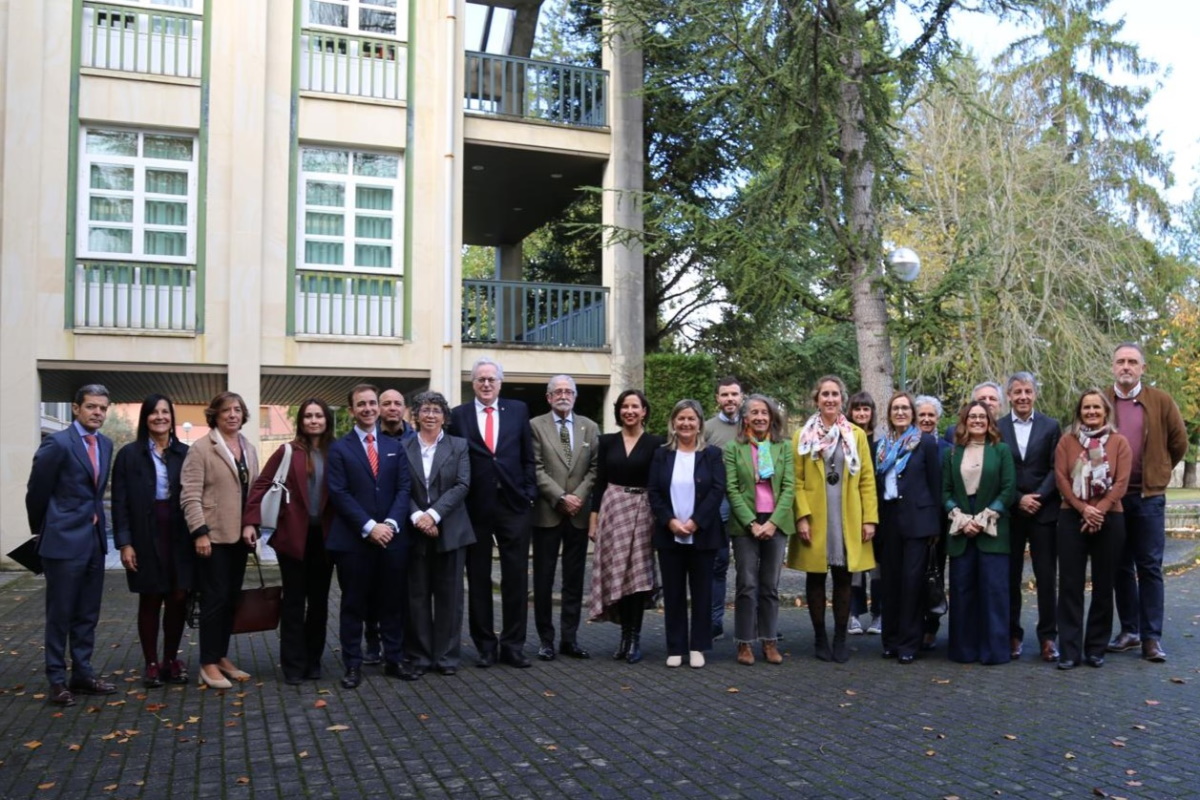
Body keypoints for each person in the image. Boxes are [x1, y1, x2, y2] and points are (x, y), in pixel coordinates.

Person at [25, 384, 117, 706]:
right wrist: (43, 530)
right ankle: (56, 680)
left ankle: (82, 673)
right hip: (63, 542)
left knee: (88, 613)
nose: (98, 413)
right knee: (60, 614)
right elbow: (36, 492)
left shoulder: (106, 444)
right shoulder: (58, 443)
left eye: (103, 408)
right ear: (76, 408)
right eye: (91, 407)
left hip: (94, 542)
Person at [448, 358, 537, 668]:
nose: (486, 384)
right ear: (473, 384)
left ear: (501, 383)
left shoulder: (518, 411)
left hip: (513, 505)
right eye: (481, 379)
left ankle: (513, 646)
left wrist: (529, 494)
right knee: (479, 578)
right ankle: (485, 646)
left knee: (515, 578)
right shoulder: (458, 416)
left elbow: (528, 457)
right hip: (475, 507)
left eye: (492, 379)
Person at [242, 399, 335, 685]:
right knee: (294, 602)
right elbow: (261, 485)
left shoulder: (338, 451)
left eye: (319, 415)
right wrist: (250, 521)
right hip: (294, 537)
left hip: (326, 539)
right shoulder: (288, 451)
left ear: (327, 420)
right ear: (301, 421)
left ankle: (313, 661)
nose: (313, 420)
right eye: (308, 416)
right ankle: (293, 665)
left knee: (319, 603)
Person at [1105, 343, 1187, 663]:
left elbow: (1178, 442)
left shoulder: (1160, 401)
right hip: (1113, 498)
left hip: (1148, 497)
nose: (1126, 367)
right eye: (1121, 361)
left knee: (1150, 567)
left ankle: (1152, 638)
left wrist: (1159, 470)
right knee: (1119, 567)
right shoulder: (1102, 401)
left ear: (1143, 368)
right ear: (1113, 366)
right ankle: (1129, 630)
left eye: (1132, 362)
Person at [326, 384, 411, 689]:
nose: (368, 408)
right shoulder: (339, 448)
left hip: (392, 539)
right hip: (353, 542)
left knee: (392, 603)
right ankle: (352, 665)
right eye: (361, 404)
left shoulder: (395, 447)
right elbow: (339, 493)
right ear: (351, 410)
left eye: (372, 403)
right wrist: (368, 527)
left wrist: (388, 524)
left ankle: (394, 659)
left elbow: (404, 489)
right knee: (353, 605)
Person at [790, 375, 878, 663]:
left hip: (848, 516)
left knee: (844, 578)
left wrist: (869, 519)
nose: (830, 399)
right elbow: (796, 480)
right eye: (825, 394)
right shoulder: (802, 435)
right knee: (815, 578)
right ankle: (819, 637)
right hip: (815, 517)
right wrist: (801, 517)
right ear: (817, 399)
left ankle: (840, 637)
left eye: (835, 394)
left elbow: (867, 479)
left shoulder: (857, 435)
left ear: (843, 399)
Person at [112, 394, 193, 688]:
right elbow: (119, 502)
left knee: (178, 597)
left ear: (172, 417)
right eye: (153, 413)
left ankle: (170, 659)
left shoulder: (186, 453)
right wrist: (125, 543)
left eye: (165, 412)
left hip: (180, 534)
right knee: (150, 597)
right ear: (145, 418)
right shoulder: (128, 455)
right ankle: (150, 663)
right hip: (145, 533)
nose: (160, 417)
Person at [181, 391, 261, 689]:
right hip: (212, 538)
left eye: (238, 410)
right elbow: (189, 495)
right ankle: (207, 663)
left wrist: (253, 524)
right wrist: (199, 532)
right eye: (226, 410)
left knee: (230, 600)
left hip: (240, 536)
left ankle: (221, 655)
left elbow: (254, 493)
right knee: (213, 601)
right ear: (214, 414)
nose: (232, 415)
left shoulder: (249, 448)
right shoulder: (202, 448)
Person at [1054, 390, 1131, 670]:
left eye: (1096, 407)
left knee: (1103, 585)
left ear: (1106, 411)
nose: (1091, 412)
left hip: (1110, 518)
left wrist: (1098, 509)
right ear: (1079, 412)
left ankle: (1096, 648)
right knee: (1070, 585)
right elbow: (1061, 478)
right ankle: (1070, 651)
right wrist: (1082, 508)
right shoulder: (1067, 441)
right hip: (1071, 517)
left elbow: (1122, 481)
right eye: (1086, 408)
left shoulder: (1119, 442)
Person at [587, 389, 664, 664]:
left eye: (635, 406)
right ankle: (622, 638)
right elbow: (599, 482)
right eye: (624, 406)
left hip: (644, 511)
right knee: (616, 574)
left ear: (644, 411)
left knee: (638, 579)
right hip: (613, 510)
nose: (629, 411)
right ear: (619, 411)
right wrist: (593, 519)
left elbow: (660, 483)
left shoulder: (658, 443)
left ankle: (634, 639)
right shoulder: (606, 442)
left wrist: (659, 519)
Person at [649, 399, 726, 668]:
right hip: (669, 534)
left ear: (699, 423)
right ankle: (676, 647)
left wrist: (695, 522)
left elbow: (718, 490)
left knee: (702, 592)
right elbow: (654, 493)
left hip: (702, 534)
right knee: (673, 592)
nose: (686, 423)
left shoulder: (712, 454)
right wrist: (670, 521)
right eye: (681, 418)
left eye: (691, 419)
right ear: (673, 422)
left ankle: (698, 647)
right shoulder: (661, 454)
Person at [402, 391, 473, 678]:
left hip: (451, 531)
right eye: (425, 409)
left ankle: (446, 657)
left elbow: (462, 484)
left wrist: (433, 514)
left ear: (445, 416)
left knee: (450, 597)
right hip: (414, 531)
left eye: (436, 410)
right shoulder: (403, 446)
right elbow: (400, 486)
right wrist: (418, 515)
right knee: (416, 596)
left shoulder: (459, 446)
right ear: (416, 415)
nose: (430, 415)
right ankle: (419, 656)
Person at [531, 375, 600, 661]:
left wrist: (578, 497)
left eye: (568, 391)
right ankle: (546, 640)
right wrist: (560, 497)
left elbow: (595, 469)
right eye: (557, 391)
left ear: (575, 396)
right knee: (544, 580)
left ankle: (569, 639)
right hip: (548, 513)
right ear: (548, 397)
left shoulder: (590, 427)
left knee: (573, 580)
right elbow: (535, 467)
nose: (563, 395)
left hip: (578, 515)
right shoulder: (535, 426)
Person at [942, 400, 1016, 665]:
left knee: (994, 592)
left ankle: (994, 651)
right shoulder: (953, 452)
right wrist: (961, 519)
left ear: (989, 421)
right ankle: (964, 650)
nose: (977, 420)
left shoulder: (1002, 450)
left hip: (993, 525)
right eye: (972, 416)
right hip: (961, 525)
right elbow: (946, 490)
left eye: (981, 417)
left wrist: (984, 518)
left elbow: (1008, 489)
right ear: (964, 420)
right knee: (963, 591)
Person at [723, 394, 794, 666]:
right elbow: (731, 488)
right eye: (754, 412)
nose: (760, 417)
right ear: (746, 418)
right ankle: (744, 643)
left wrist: (773, 522)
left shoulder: (782, 447)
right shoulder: (734, 448)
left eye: (764, 412)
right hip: (746, 524)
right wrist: (752, 523)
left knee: (770, 586)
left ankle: (769, 640)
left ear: (771, 417)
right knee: (747, 584)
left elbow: (789, 487)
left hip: (776, 522)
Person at [996, 372, 1062, 662]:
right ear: (1008, 396)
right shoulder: (997, 428)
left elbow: (1056, 467)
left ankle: (1048, 638)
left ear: (1035, 394)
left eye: (1028, 391)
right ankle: (1013, 634)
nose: (1023, 396)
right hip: (1011, 512)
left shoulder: (1051, 426)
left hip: (1043, 511)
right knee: (1010, 577)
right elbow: (995, 469)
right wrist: (1017, 499)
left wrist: (1038, 497)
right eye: (1017, 392)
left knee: (1046, 577)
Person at [874, 392, 942, 664]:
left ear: (912, 413)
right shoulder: (880, 446)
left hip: (918, 521)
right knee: (889, 582)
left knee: (912, 583)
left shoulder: (925, 443)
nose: (900, 412)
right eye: (895, 408)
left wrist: (935, 526)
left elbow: (935, 484)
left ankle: (909, 644)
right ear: (889, 414)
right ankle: (889, 640)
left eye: (905, 408)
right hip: (888, 519)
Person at [366, 388, 414, 663]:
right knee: (372, 591)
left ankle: (400, 643)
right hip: (372, 528)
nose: (392, 408)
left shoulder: (415, 439)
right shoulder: (370, 440)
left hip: (407, 524)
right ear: (379, 409)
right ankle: (372, 641)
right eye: (387, 403)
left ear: (405, 408)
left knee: (400, 591)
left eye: (398, 403)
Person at [702, 376, 743, 640]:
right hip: (718, 503)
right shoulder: (706, 429)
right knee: (717, 564)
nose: (730, 399)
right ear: (717, 398)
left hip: (748, 501)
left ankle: (756, 622)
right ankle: (714, 622)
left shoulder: (753, 424)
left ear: (742, 397)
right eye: (725, 395)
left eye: (734, 394)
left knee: (751, 565)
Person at [915, 395, 951, 652]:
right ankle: (913, 626)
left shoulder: (947, 449)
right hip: (911, 523)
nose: (927, 419)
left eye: (931, 415)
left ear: (938, 418)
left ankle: (931, 627)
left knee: (934, 576)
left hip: (939, 526)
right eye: (922, 415)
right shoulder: (906, 446)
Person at [848, 390, 882, 636]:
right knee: (854, 567)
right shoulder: (845, 439)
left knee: (878, 566)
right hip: (851, 512)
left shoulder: (881, 443)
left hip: (877, 511)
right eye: (857, 409)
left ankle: (879, 613)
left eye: (866, 409)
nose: (861, 413)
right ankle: (853, 614)